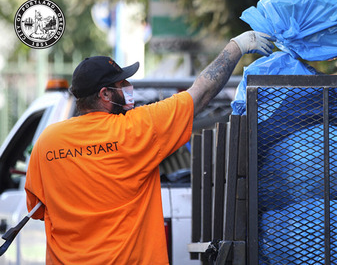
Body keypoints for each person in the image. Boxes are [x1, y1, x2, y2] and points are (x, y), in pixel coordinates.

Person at [24, 31, 274, 264]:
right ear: (105, 94)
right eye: (122, 84)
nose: (128, 89)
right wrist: (237, 46)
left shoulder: (47, 142)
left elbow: (38, 210)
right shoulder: (136, 129)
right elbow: (201, 93)